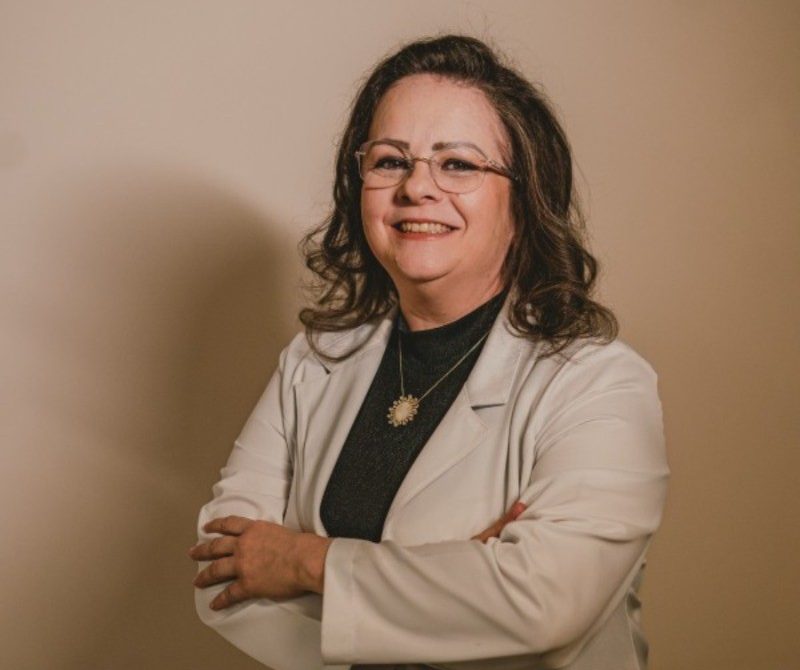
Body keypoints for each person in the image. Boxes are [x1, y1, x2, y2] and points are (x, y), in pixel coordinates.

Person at [189, 34, 669, 670]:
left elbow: (544, 604)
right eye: (390, 160)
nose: (417, 187)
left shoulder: (602, 384)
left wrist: (303, 561)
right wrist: (462, 582)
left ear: (524, 202)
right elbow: (223, 570)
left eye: (459, 164)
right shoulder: (312, 361)